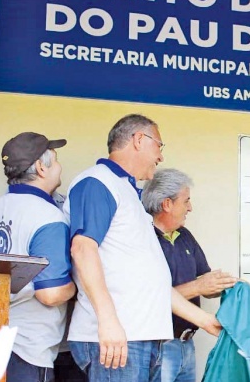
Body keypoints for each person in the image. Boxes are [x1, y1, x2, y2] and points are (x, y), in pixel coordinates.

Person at [64, 114, 220, 381]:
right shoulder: (98, 182)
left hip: (143, 338)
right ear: (139, 140)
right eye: (159, 146)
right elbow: (82, 248)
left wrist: (206, 321)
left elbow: (150, 283)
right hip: (118, 340)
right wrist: (109, 320)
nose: (161, 157)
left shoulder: (131, 195)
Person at [0, 132, 76, 381]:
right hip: (27, 348)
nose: (59, 167)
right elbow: (51, 294)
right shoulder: (48, 216)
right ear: (40, 168)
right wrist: (80, 285)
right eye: (55, 161)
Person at [141, 169, 237, 382]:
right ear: (167, 204)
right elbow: (145, 297)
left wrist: (230, 284)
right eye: (186, 201)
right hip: (159, 347)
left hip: (186, 344)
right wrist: (197, 287)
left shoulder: (185, 236)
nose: (190, 208)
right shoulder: (143, 238)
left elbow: (204, 279)